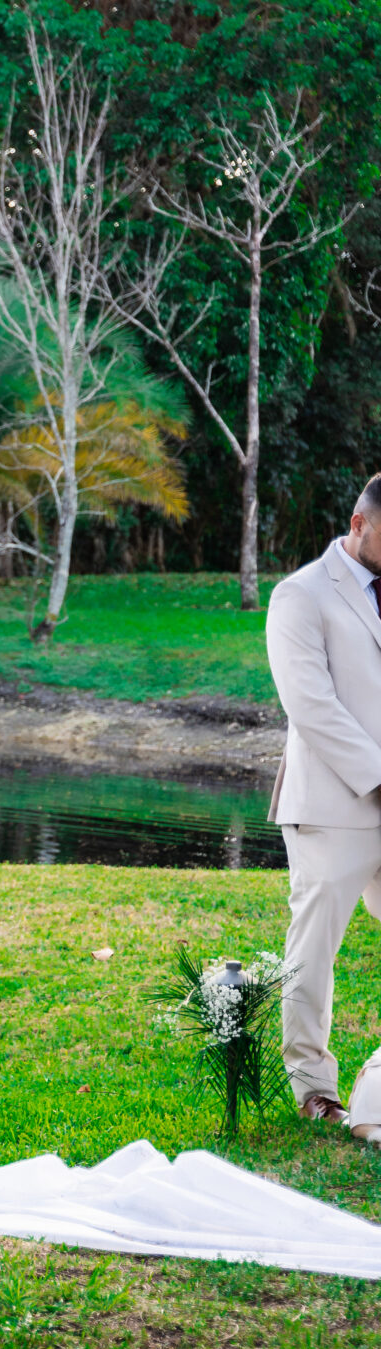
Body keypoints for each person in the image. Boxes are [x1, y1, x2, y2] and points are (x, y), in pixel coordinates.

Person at [266, 473, 381, 1144]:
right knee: (316, 948)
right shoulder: (300, 595)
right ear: (358, 523)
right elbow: (311, 705)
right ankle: (315, 1089)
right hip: (333, 805)